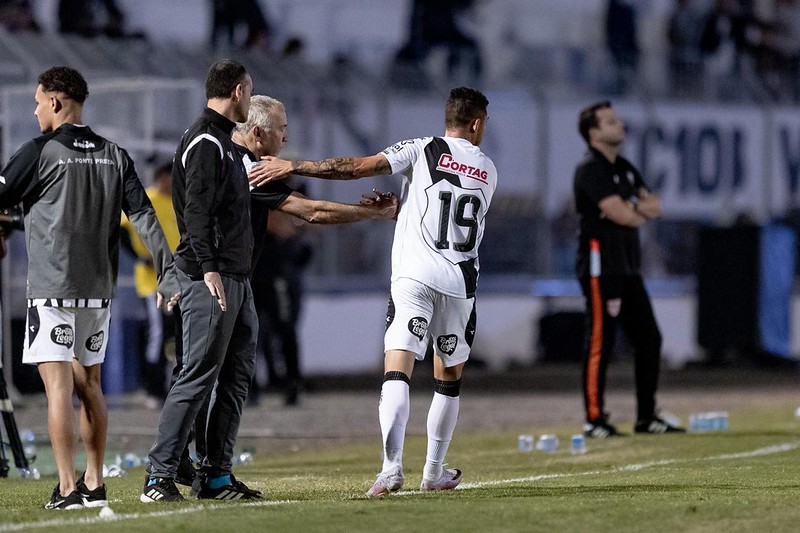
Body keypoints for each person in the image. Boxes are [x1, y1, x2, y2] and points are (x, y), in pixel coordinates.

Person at [249, 87, 496, 496]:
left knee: (397, 371)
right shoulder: (487, 169)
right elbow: (442, 211)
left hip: (415, 277)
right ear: (475, 123)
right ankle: (433, 473)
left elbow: (354, 168)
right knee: (447, 380)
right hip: (460, 283)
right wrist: (402, 208)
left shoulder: (423, 148)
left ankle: (390, 468)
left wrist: (292, 166)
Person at [0, 66, 179, 509]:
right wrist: (167, 272)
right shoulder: (115, 155)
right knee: (90, 386)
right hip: (98, 291)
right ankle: (95, 483)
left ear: (57, 103)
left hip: (51, 290)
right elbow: (144, 220)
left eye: (39, 101)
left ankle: (65, 488)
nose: (36, 109)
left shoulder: (39, 152)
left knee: (58, 389)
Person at [143, 59, 260, 503]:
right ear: (236, 91)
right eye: (249, 90)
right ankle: (158, 476)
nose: (250, 98)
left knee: (235, 377)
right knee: (196, 377)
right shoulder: (206, 139)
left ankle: (215, 476)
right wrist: (209, 268)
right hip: (211, 277)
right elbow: (195, 210)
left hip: (236, 276)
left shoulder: (227, 143)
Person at [236, 95, 398, 408]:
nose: (285, 137)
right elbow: (308, 215)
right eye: (280, 130)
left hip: (277, 268)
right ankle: (250, 389)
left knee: (280, 328)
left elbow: (309, 217)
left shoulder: (271, 181)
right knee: (255, 333)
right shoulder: (252, 173)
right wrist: (372, 213)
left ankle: (287, 384)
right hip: (254, 270)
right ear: (258, 134)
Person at [573, 101, 684, 438]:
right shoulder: (590, 169)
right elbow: (624, 213)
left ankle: (646, 416)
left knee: (650, 338)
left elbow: (654, 206)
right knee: (601, 342)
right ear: (594, 133)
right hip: (600, 267)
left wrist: (630, 209)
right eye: (610, 122)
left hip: (628, 265)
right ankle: (595, 419)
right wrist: (633, 210)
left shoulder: (625, 166)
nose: (619, 125)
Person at [120, 162, 180, 406]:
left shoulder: (178, 201)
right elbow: (123, 228)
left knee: (172, 336)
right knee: (157, 334)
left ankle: (167, 386)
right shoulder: (148, 198)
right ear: (161, 177)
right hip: (152, 283)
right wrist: (140, 257)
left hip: (177, 280)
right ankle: (153, 388)